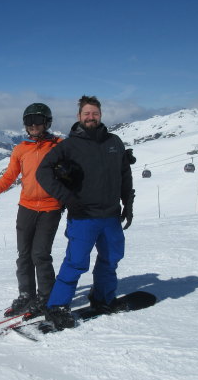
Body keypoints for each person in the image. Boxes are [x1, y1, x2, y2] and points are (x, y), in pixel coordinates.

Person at [35, 95, 134, 330]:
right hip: (83, 216)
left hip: (110, 215)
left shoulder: (114, 142)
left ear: (100, 115)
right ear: (79, 116)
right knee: (76, 262)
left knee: (110, 259)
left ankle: (103, 298)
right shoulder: (69, 145)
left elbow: (125, 174)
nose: (91, 117)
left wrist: (127, 203)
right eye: (86, 113)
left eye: (95, 113)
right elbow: (43, 172)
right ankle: (57, 306)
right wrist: (67, 198)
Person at [0, 103, 63, 318]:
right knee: (24, 255)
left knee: (40, 255)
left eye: (37, 120)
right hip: (27, 207)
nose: (33, 125)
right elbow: (9, 177)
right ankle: (27, 295)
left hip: (51, 207)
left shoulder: (60, 146)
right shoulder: (21, 148)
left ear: (47, 122)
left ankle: (46, 297)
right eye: (28, 121)